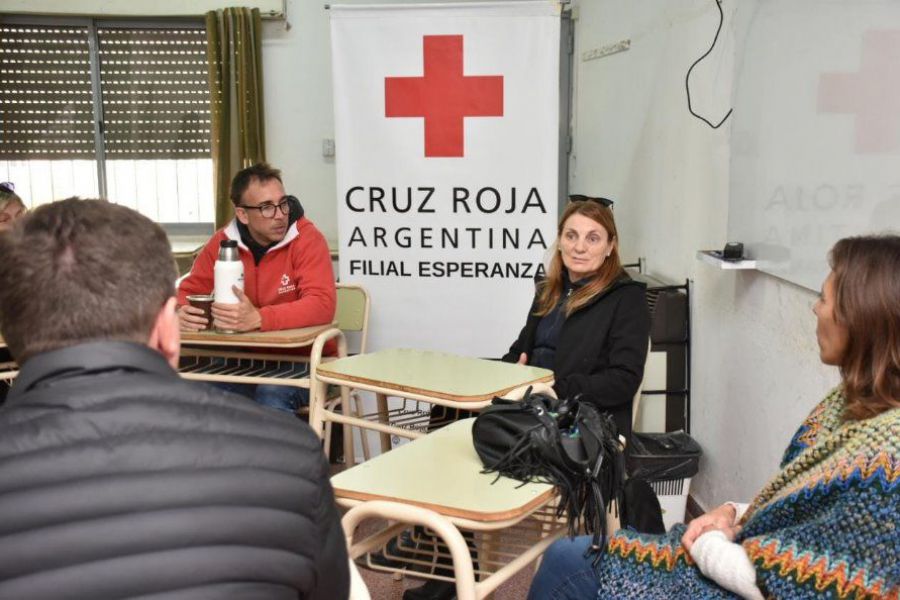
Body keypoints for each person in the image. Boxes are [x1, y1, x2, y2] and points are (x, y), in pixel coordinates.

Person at [0, 198, 349, 599]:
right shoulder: (293, 456)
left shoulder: (307, 240)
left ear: (11, 333)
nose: (278, 213)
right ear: (170, 328)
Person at [529, 234, 900, 599]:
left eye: (824, 298)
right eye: (571, 237)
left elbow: (803, 583)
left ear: (861, 318)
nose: (815, 308)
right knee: (570, 555)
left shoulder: (887, 460)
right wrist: (733, 512)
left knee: (568, 562)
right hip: (741, 546)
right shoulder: (849, 403)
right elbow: (802, 508)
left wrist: (708, 540)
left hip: (737, 570)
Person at [177, 163, 336, 413]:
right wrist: (180, 312)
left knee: (271, 394)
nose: (280, 215)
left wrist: (259, 318)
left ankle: (290, 453)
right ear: (242, 214)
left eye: (283, 203)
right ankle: (228, 454)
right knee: (197, 392)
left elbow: (322, 304)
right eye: (266, 208)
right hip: (243, 359)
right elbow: (188, 291)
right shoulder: (222, 242)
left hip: (306, 360)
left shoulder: (308, 239)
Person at [502, 195, 651, 441]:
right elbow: (519, 351)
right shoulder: (548, 290)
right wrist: (509, 376)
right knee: (451, 414)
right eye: (571, 236)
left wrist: (552, 388)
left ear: (610, 246)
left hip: (581, 423)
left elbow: (624, 380)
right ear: (560, 241)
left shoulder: (626, 299)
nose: (579, 247)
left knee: (480, 442)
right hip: (531, 406)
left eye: (593, 238)